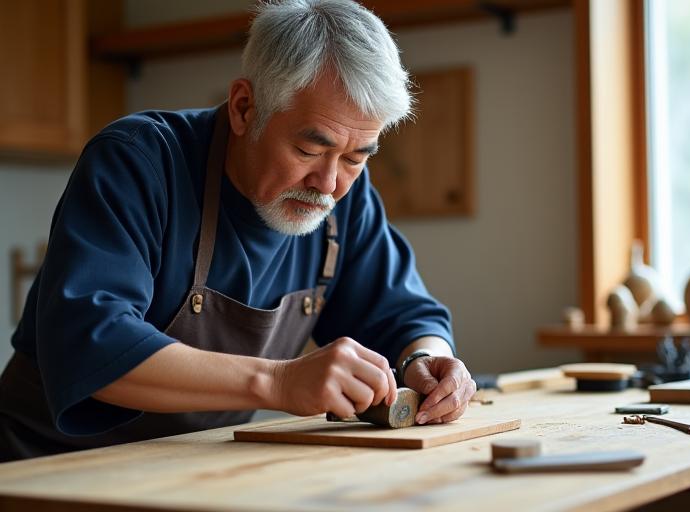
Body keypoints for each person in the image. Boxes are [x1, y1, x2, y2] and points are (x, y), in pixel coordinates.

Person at [0, 0, 475, 462]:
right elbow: (90, 343)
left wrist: (426, 360)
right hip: (43, 469)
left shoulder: (343, 202)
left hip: (187, 471)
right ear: (245, 108)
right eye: (310, 150)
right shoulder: (138, 161)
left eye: (356, 157)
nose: (328, 184)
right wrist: (279, 382)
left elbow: (404, 315)